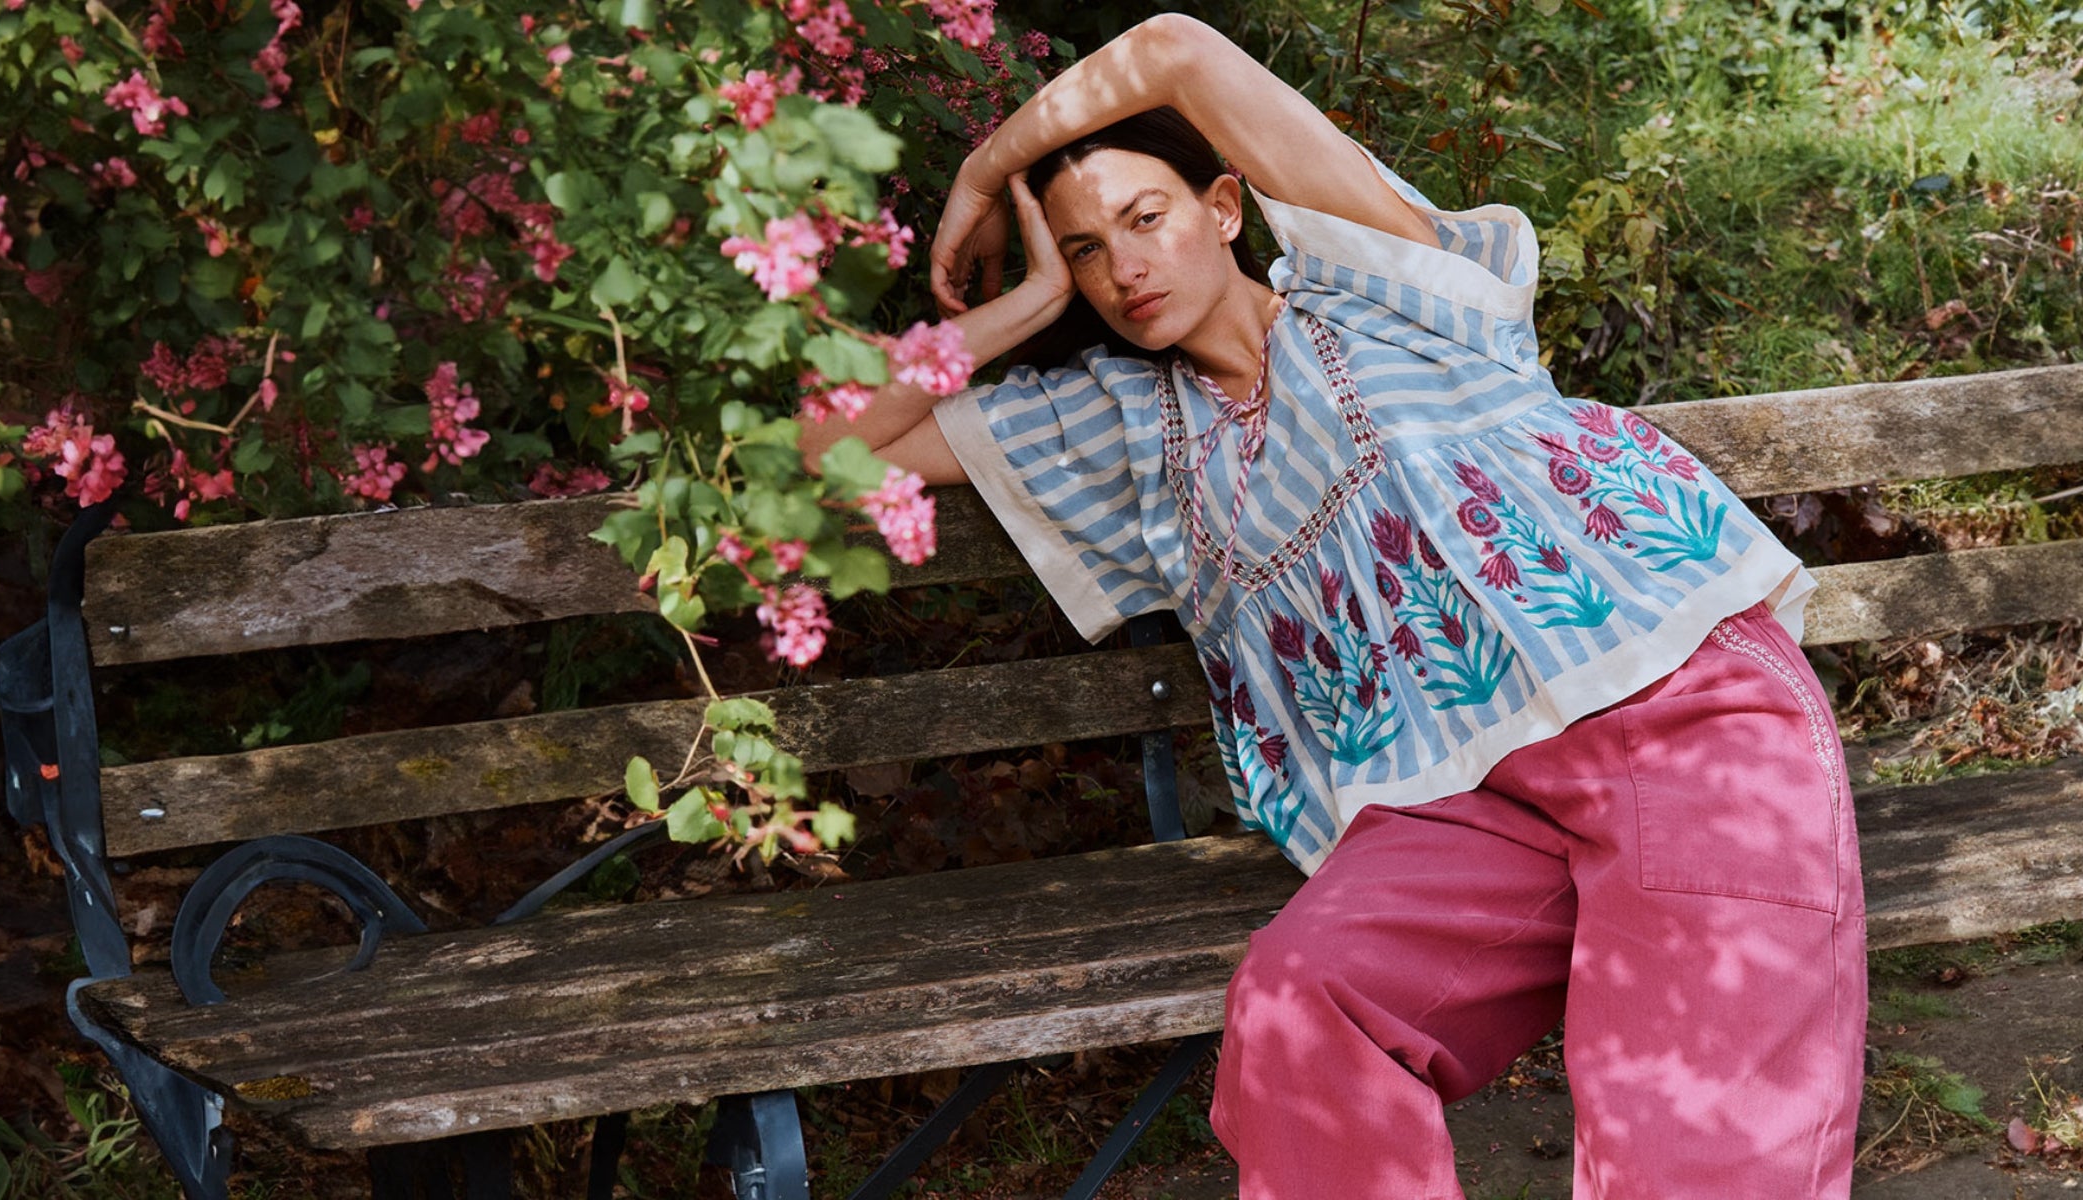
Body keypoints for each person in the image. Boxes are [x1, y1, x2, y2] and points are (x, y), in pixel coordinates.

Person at [799, 14, 1865, 1197]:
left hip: (1672, 721)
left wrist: (988, 167)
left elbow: (1174, 50)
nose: (1124, 268)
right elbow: (812, 451)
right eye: (1088, 252)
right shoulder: (1119, 427)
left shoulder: (1381, 288)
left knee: (1696, 1151)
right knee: (1298, 1008)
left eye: (1144, 219)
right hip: (1453, 809)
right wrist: (1020, 303)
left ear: (1222, 206)